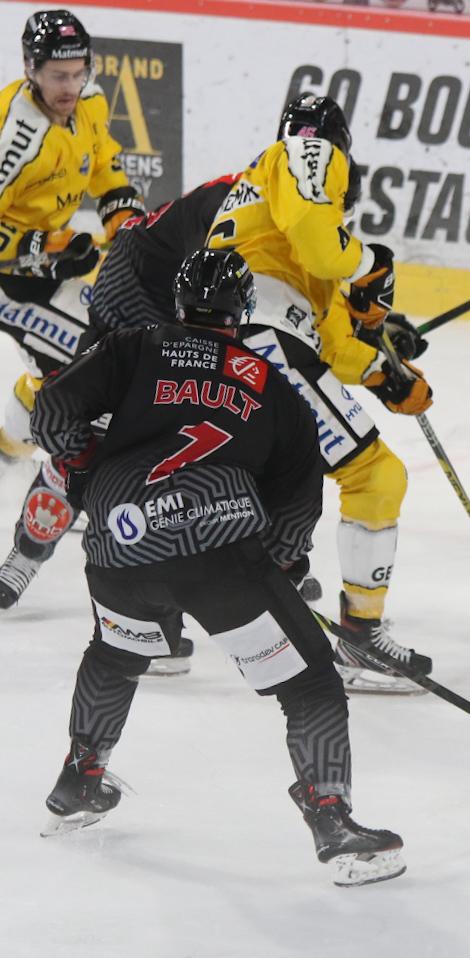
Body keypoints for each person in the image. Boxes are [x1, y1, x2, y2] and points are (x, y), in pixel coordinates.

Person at [31, 248, 404, 886]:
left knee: (116, 654)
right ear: (245, 310)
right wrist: (282, 566)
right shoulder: (274, 387)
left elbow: (52, 413)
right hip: (219, 553)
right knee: (310, 682)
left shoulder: (134, 347)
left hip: (119, 546)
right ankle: (332, 821)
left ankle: (79, 780)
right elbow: (297, 499)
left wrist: (89, 469)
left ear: (178, 303)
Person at [204, 93, 434, 694]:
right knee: (375, 477)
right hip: (261, 343)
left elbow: (326, 345)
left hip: (229, 346)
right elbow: (318, 240)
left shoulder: (269, 213)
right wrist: (369, 263)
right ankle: (360, 637)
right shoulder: (308, 151)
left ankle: (203, 605)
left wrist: (385, 375)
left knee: (265, 486)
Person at [0, 9, 144, 602]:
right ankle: (26, 554)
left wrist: (129, 230)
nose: (70, 86)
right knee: (87, 388)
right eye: (58, 75)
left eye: (78, 72)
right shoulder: (15, 135)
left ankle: (9, 441)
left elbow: (107, 170)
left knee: (83, 375)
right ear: (30, 70)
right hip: (9, 284)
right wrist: (45, 247)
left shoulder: (90, 105)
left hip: (47, 276)